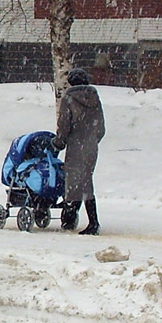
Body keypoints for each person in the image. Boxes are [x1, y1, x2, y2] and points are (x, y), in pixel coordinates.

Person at [52, 68, 105, 235]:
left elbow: (64, 124)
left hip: (76, 145)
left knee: (77, 183)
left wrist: (58, 142)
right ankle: (70, 217)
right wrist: (92, 139)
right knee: (84, 180)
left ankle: (92, 222)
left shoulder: (69, 98)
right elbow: (100, 126)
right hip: (91, 146)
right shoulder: (95, 98)